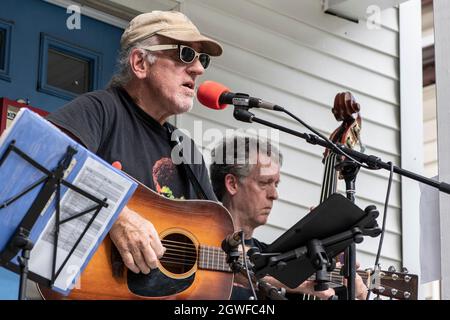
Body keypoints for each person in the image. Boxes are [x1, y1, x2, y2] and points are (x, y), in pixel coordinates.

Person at [46, 11, 222, 275]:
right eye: (185, 54)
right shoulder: (101, 110)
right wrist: (115, 216)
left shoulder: (186, 151)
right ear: (140, 62)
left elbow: (216, 245)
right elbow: (41, 156)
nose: (198, 69)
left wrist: (281, 273)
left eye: (202, 59)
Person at [209, 133, 369, 300]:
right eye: (264, 183)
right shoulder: (193, 243)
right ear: (232, 184)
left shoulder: (274, 257)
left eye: (276, 184)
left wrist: (358, 293)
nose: (274, 194)